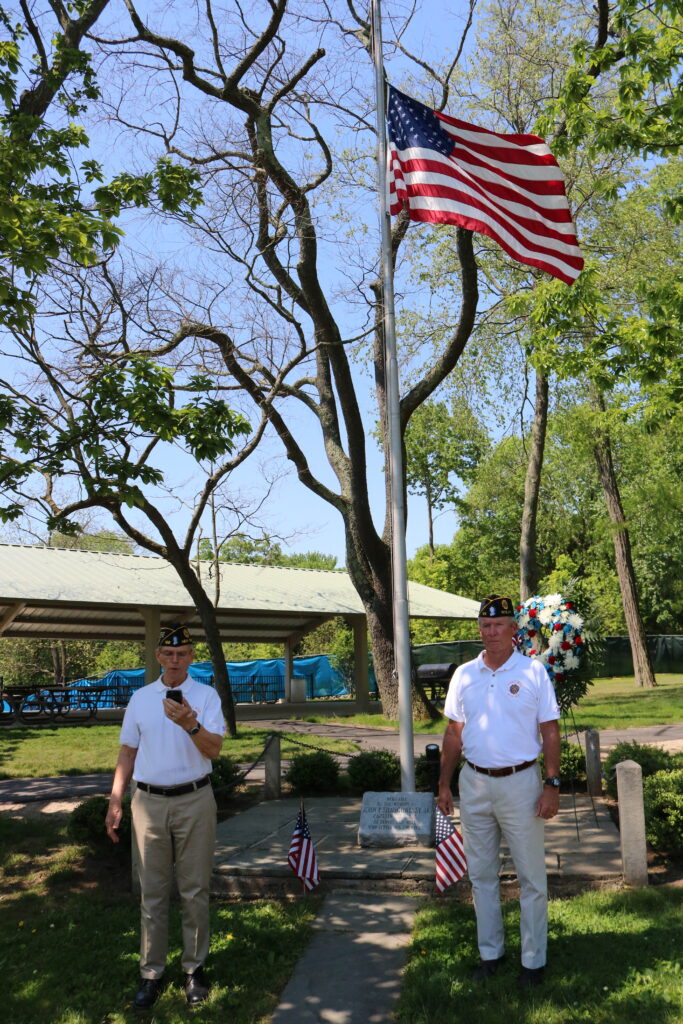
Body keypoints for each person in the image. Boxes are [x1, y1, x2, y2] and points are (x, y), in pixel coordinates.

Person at [437, 594, 561, 989]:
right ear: (480, 629)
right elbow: (453, 734)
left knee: (530, 879)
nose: (491, 632)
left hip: (521, 784)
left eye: (499, 625)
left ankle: (533, 962)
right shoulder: (464, 675)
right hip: (473, 783)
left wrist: (552, 784)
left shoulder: (533, 672)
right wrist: (443, 783)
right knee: (482, 876)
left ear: (513, 630)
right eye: (485, 626)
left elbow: (550, 730)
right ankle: (490, 953)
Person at [105, 623, 226, 1010]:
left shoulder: (205, 697)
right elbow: (128, 752)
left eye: (183, 654)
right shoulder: (141, 699)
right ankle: (151, 973)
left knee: (194, 889)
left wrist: (189, 723)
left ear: (191, 657)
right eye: (168, 654)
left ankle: (193, 969)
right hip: (148, 803)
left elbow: (214, 750)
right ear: (158, 656)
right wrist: (115, 800)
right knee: (152, 892)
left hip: (194, 800)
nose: (175, 660)